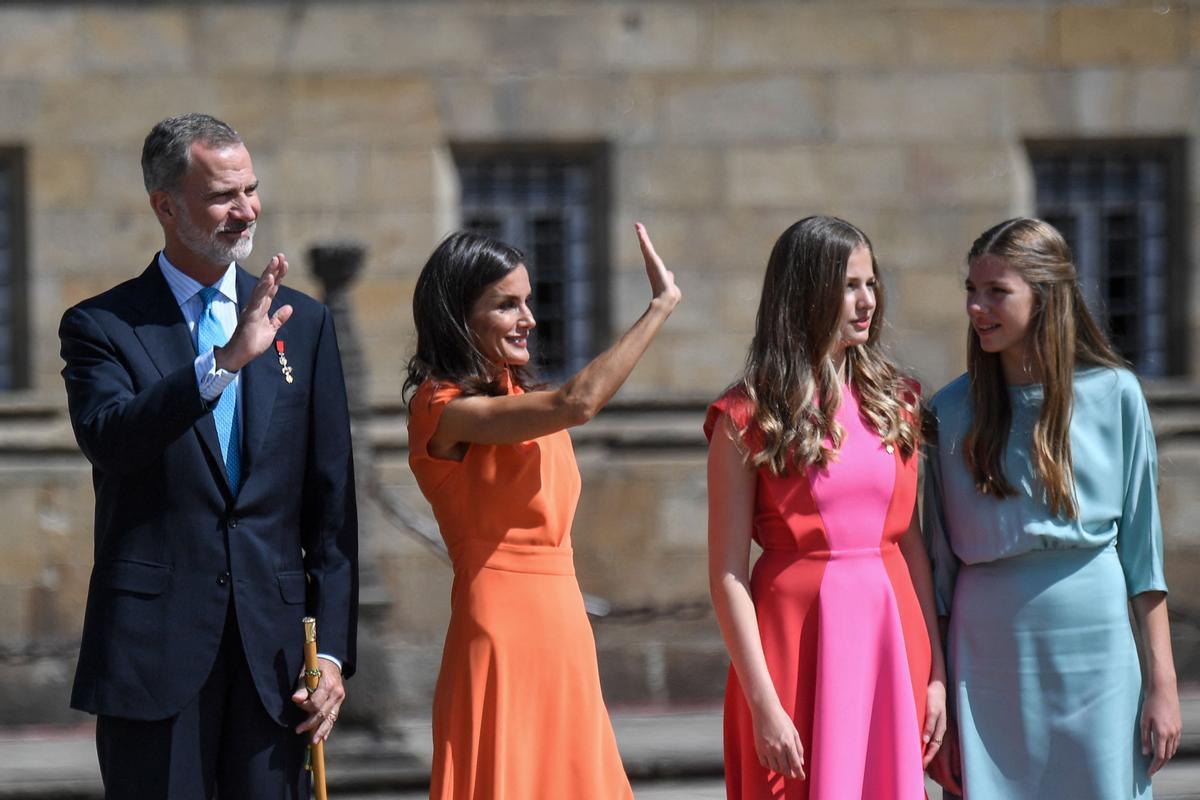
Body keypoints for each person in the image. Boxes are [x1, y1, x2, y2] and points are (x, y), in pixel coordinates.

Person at [59, 113, 358, 799]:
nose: (246, 210)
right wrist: (221, 364)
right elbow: (110, 437)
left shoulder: (302, 324)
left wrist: (333, 654)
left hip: (276, 662)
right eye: (224, 195)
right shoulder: (102, 326)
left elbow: (331, 509)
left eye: (250, 189)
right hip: (153, 657)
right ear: (166, 205)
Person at [404, 224, 680, 799]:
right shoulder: (442, 409)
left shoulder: (517, 397)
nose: (528, 318)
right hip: (499, 625)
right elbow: (578, 403)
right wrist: (658, 308)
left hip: (562, 620)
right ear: (460, 315)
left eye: (527, 301)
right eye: (507, 305)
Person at [923, 217, 1183, 799]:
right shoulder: (948, 410)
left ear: (1045, 296)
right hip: (986, 655)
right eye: (971, 289)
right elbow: (938, 573)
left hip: (1099, 648)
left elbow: (1144, 556)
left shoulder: (1117, 394)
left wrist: (1162, 684)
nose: (976, 307)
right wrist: (936, 684)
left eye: (997, 292)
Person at [706, 216, 947, 799]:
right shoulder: (746, 416)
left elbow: (910, 542)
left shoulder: (900, 402)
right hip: (792, 645)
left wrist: (937, 672)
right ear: (805, 293)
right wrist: (762, 702)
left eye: (871, 283)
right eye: (848, 286)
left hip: (892, 639)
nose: (866, 301)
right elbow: (727, 573)